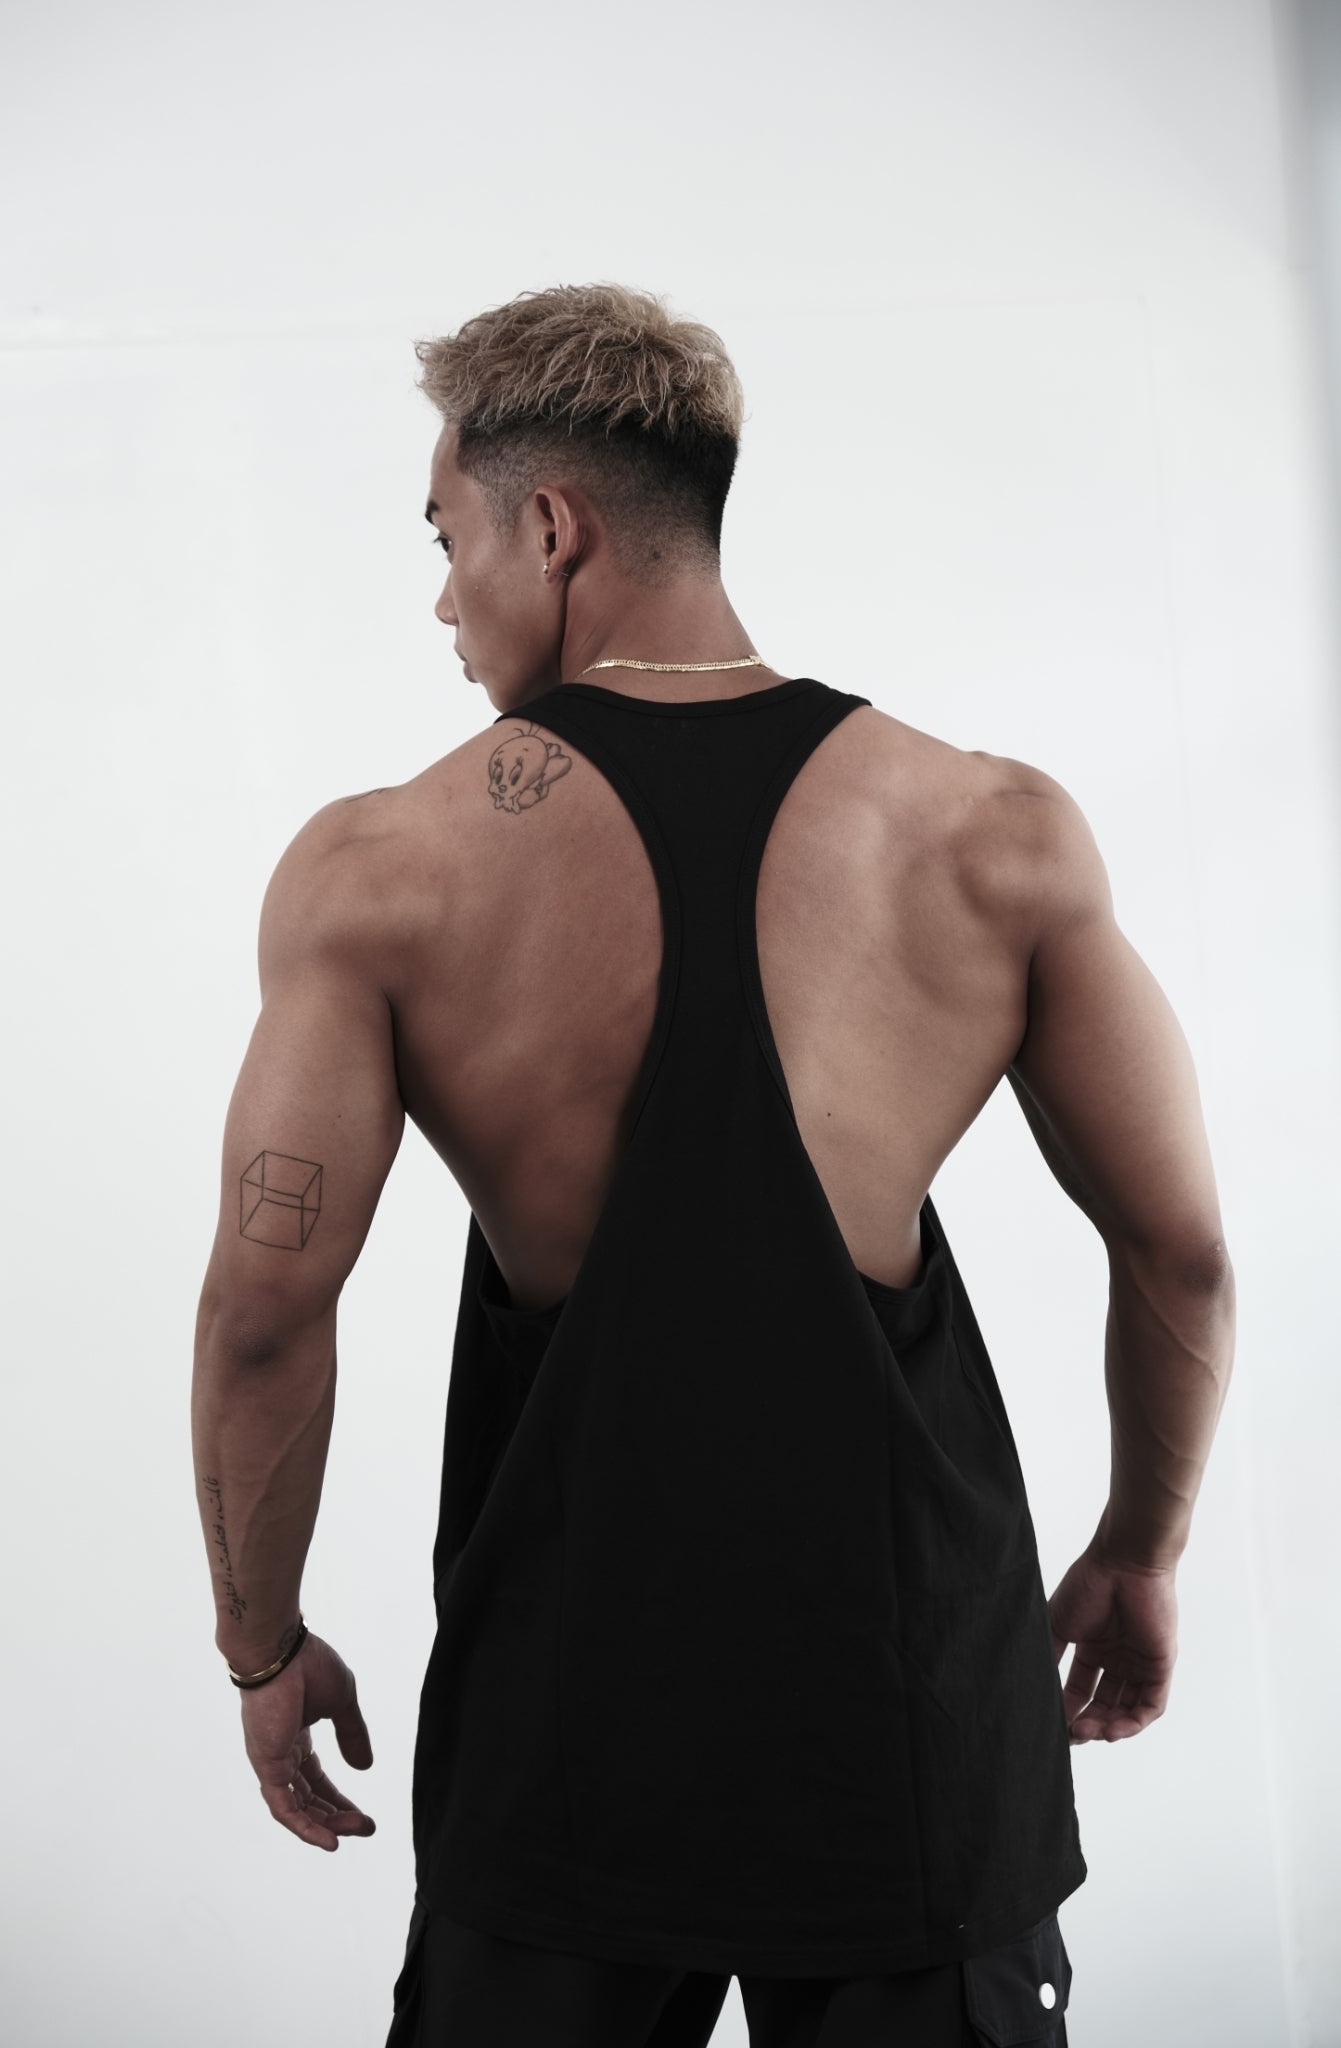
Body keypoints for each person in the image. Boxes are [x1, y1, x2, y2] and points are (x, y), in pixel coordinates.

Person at [190, 283, 1237, 2048]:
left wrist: (261, 1641)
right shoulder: (993, 831)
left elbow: (264, 1313)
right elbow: (1182, 1250)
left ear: (549, 526)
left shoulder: (383, 870)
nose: (441, 597)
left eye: (446, 538)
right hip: (915, 1734)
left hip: (562, 1747)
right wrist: (1141, 1546)